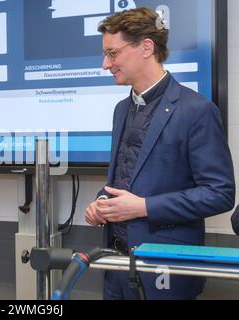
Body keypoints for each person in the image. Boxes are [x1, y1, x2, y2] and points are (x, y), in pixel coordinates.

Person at [85, 7, 235, 300]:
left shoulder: (196, 110)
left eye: (112, 53)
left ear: (146, 47)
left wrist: (144, 207)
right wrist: (102, 201)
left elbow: (220, 193)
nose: (105, 64)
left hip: (166, 270)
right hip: (115, 267)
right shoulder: (120, 110)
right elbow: (125, 179)